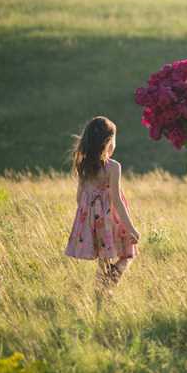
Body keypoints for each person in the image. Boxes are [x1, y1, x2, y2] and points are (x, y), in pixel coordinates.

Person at [65, 116, 140, 289]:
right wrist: (131, 228)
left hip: (93, 220)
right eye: (114, 140)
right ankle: (109, 283)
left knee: (103, 260)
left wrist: (89, 217)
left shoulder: (83, 165)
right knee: (128, 255)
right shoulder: (113, 167)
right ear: (107, 142)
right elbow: (117, 201)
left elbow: (79, 198)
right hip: (111, 220)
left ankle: (101, 291)